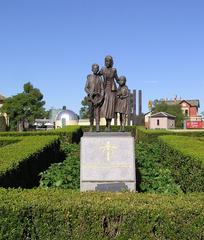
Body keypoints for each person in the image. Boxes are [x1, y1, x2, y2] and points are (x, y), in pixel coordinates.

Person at [99, 55, 119, 131]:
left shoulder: (114, 70)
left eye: (108, 61)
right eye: (106, 61)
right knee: (105, 107)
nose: (107, 62)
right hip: (104, 89)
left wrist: (122, 84)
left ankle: (109, 125)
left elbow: (117, 79)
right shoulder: (103, 69)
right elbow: (97, 75)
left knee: (111, 108)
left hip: (112, 90)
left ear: (111, 62)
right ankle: (106, 124)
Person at [85, 63, 104, 132]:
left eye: (97, 68)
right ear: (92, 69)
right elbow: (86, 88)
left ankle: (97, 126)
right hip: (90, 98)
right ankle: (91, 126)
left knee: (97, 113)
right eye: (94, 68)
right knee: (91, 113)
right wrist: (90, 93)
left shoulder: (100, 78)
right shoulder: (89, 77)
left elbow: (102, 89)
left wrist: (101, 98)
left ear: (98, 69)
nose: (95, 69)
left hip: (97, 98)